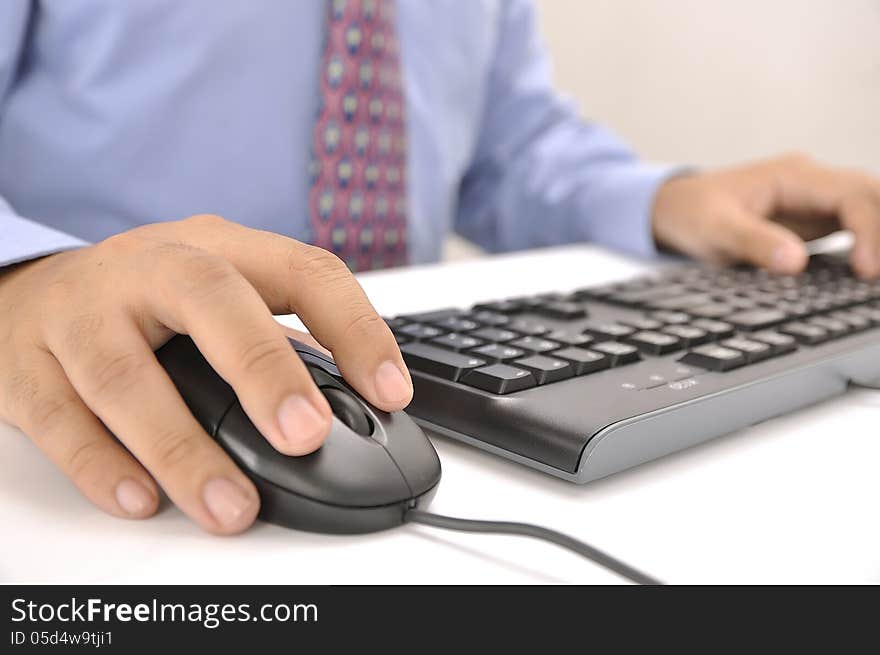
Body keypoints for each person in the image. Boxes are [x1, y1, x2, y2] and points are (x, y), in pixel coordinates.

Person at [1, 0, 878, 535]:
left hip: (399, 374)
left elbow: (508, 146)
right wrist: (20, 275)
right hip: (99, 391)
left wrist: (663, 198)